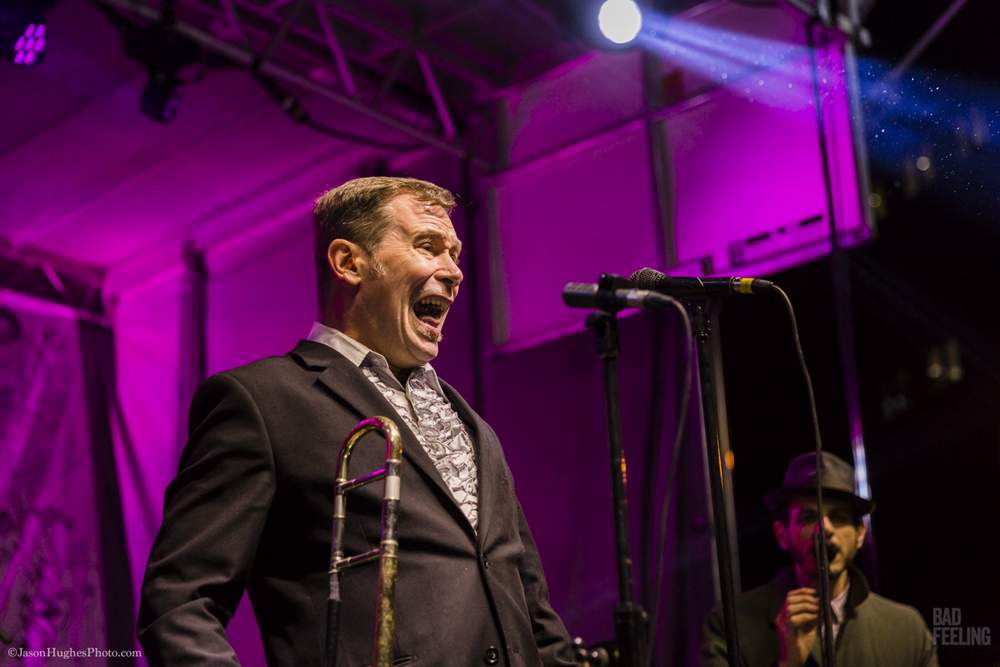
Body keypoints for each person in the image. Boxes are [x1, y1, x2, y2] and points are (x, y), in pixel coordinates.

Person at [137, 176, 574, 666]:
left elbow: (533, 608)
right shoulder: (263, 401)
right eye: (429, 246)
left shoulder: (475, 427)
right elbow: (179, 603)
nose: (454, 272)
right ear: (349, 262)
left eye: (455, 254)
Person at [701, 452, 938, 667]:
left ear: (860, 535)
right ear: (782, 535)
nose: (824, 528)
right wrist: (788, 663)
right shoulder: (731, 626)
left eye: (839, 517)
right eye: (808, 517)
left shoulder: (906, 630)